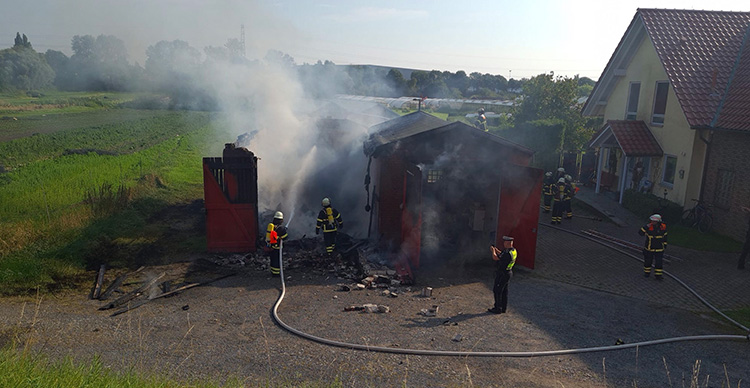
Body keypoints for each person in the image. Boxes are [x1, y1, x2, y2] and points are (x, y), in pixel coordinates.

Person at [488, 236, 517, 314]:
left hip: (502, 273)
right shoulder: (513, 251)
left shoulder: (507, 253)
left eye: (505, 242)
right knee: (504, 291)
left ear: (507, 243)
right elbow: (502, 254)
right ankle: (503, 308)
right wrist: (497, 250)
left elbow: (495, 258)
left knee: (497, 290)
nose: (503, 243)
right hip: (508, 273)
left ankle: (497, 308)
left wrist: (493, 251)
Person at [639, 214, 668, 280]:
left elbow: (665, 236)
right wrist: (645, 227)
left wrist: (665, 244)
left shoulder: (663, 228)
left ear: (658, 221)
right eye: (652, 221)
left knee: (659, 263)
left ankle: (658, 276)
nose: (652, 222)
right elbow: (640, 233)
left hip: (659, 249)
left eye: (654, 221)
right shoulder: (648, 227)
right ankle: (647, 273)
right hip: (649, 248)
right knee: (648, 262)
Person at [265, 211, 288, 277]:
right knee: (277, 261)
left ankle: (273, 271)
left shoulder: (272, 226)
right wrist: (285, 231)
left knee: (273, 259)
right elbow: (285, 237)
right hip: (277, 247)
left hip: (271, 246)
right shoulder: (281, 228)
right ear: (281, 220)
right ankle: (276, 273)